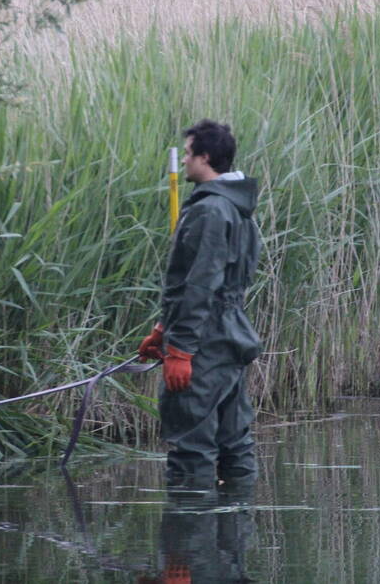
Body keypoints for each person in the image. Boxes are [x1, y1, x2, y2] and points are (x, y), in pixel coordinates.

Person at [138, 119, 262, 489]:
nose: (185, 162)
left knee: (191, 447)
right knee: (234, 443)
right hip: (230, 335)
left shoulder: (210, 210)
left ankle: (188, 544)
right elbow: (217, 284)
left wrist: (181, 349)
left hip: (205, 341)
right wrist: (163, 329)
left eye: (189, 154)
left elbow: (201, 285)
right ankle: (233, 540)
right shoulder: (237, 207)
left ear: (205, 158)